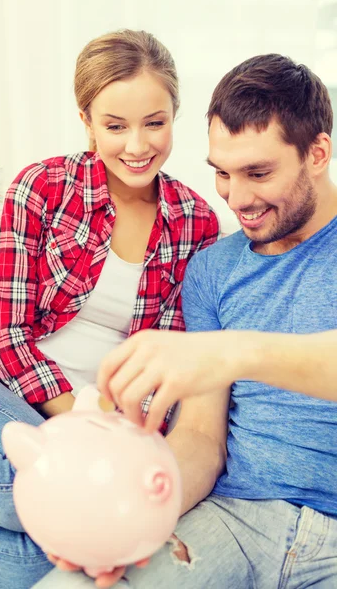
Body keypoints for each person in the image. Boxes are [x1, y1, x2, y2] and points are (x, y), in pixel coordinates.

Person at [36, 54, 337, 588]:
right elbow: (201, 436)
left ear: (317, 153)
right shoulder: (214, 269)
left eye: (258, 173)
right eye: (222, 173)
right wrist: (134, 517)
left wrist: (234, 352)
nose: (237, 200)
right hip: (238, 520)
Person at [0, 29, 218, 589]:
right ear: (87, 120)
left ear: (175, 116)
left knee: (67, 546)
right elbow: (6, 335)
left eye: (155, 123)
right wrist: (81, 426)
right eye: (115, 126)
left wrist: (118, 431)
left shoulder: (196, 221)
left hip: (98, 422)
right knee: (75, 503)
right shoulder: (42, 187)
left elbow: (163, 360)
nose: (137, 145)